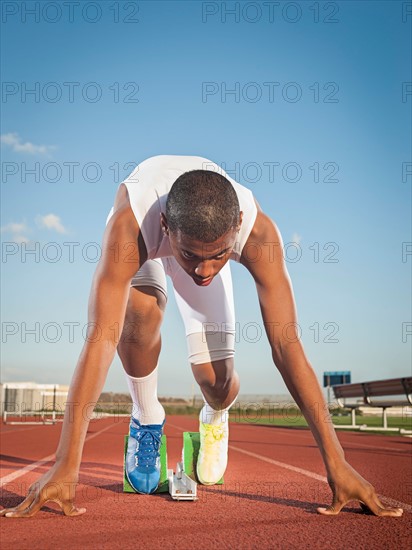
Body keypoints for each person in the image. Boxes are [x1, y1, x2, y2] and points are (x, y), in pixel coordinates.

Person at [1, 155, 403, 518]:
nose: (205, 270)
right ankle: (146, 416)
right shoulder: (132, 227)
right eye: (193, 256)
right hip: (152, 241)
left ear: (238, 228)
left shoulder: (258, 234)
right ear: (165, 226)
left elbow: (286, 344)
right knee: (136, 316)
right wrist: (66, 463)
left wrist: (337, 461)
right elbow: (100, 339)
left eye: (220, 255)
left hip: (198, 231)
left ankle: (215, 415)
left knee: (216, 381)